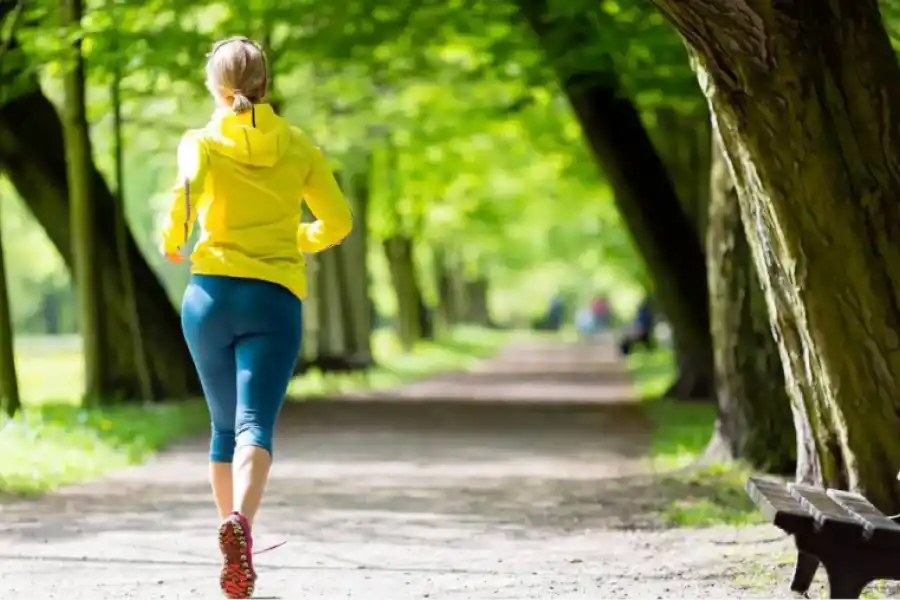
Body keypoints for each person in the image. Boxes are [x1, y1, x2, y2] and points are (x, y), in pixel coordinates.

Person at [159, 36, 352, 599]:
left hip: (210, 298)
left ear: (217, 88)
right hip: (274, 299)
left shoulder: (200, 141)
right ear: (267, 84)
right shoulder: (297, 145)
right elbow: (337, 223)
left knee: (222, 428)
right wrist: (296, 237)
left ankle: (233, 536)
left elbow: (182, 199)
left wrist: (175, 242)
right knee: (254, 426)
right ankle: (240, 527)